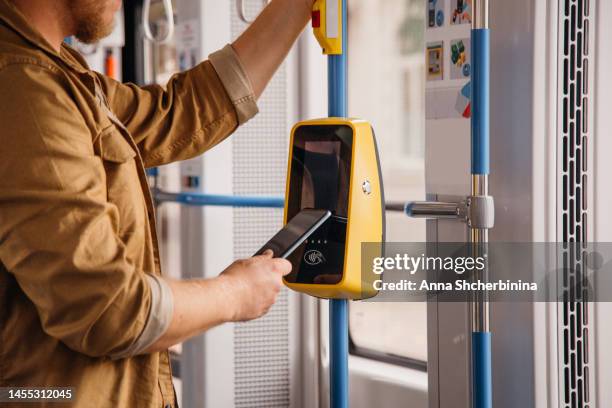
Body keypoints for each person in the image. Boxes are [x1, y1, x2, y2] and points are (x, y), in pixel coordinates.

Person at [0, 0, 314, 406]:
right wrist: (235, 293)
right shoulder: (25, 89)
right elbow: (109, 309)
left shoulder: (56, 73)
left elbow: (177, 113)